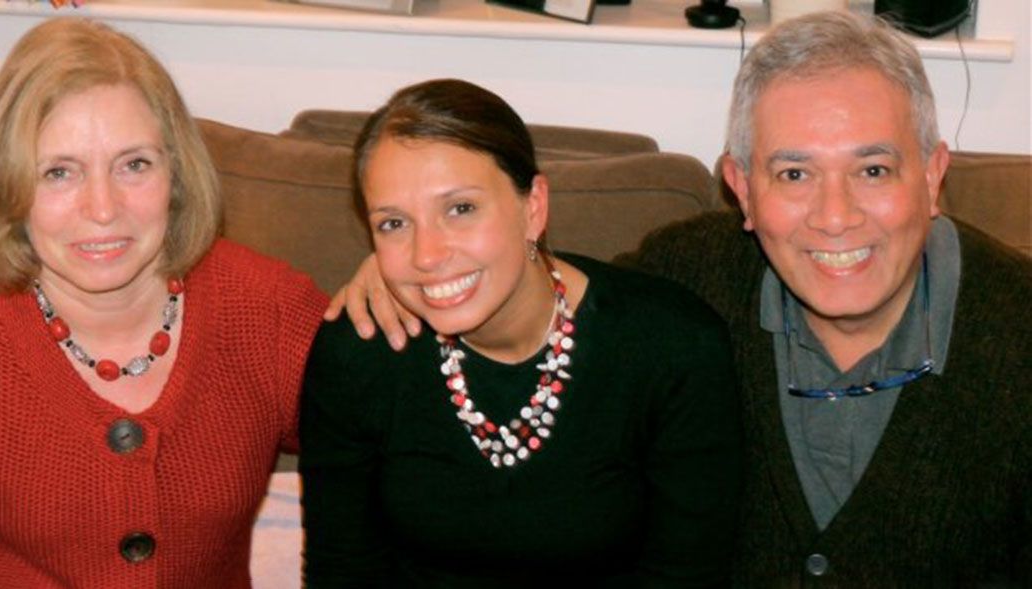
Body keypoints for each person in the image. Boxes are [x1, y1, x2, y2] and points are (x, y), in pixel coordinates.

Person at [334, 12, 1031, 586]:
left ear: (935, 173)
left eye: (873, 168)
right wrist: (415, 264)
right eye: (794, 172)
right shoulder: (686, 282)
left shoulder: (1018, 334)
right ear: (742, 188)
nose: (836, 214)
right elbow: (545, 291)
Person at [0, 18, 326, 586]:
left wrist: (399, 280)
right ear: (9, 183)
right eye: (59, 172)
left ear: (177, 173)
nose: (102, 208)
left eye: (134, 165)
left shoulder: (269, 310)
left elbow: (409, 441)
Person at [299, 78, 743, 587]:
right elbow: (343, 571)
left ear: (533, 207)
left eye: (460, 209)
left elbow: (687, 576)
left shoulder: (671, 349)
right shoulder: (360, 350)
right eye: (394, 223)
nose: (426, 256)